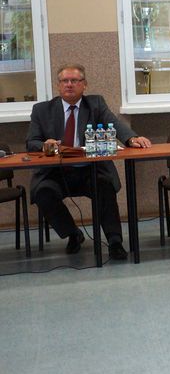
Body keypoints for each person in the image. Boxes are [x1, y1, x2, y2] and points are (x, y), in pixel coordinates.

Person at [26, 64, 152, 260]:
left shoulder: (95, 104)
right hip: (56, 172)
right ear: (58, 85)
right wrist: (44, 145)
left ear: (84, 84)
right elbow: (31, 141)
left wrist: (131, 138)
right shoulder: (42, 110)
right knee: (43, 192)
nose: (69, 85)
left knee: (105, 186)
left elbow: (114, 123)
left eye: (74, 81)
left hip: (89, 170)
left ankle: (115, 242)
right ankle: (73, 234)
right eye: (64, 81)